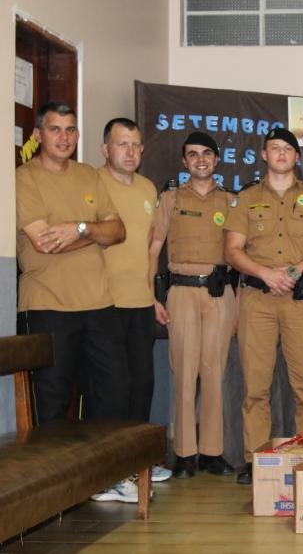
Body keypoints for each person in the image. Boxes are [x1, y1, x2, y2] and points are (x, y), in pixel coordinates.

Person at [16, 102, 134, 500]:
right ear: (38, 135)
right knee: (51, 400)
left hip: (99, 304)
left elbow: (118, 231)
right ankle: (55, 489)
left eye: (70, 130)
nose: (63, 137)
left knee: (113, 392)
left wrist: (77, 227)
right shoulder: (23, 178)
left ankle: (107, 477)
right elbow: (44, 242)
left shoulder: (88, 175)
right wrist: (91, 234)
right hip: (47, 307)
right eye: (54, 130)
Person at [225, 128, 303, 484]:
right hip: (257, 299)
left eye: (288, 149)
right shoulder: (245, 199)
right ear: (264, 155)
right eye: (274, 148)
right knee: (255, 386)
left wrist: (293, 271)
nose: (281, 154)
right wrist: (265, 274)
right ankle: (255, 459)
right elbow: (232, 250)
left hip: (300, 300)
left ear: (297, 157)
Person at [148, 132, 237, 479]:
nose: (200, 160)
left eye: (207, 154)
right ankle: (185, 454)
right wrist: (152, 297)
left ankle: (213, 452)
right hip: (181, 292)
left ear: (217, 160)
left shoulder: (231, 202)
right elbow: (154, 250)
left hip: (219, 294)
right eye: (192, 155)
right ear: (184, 162)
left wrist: (239, 304)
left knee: (215, 373)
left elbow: (241, 254)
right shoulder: (170, 199)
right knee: (184, 374)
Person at [98, 117, 171, 483]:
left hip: (140, 304)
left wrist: (153, 296)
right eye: (122, 144)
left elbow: (148, 248)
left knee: (143, 383)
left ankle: (138, 463)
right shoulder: (92, 183)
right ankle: (111, 470)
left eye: (136, 145)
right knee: (113, 389)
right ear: (105, 149)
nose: (130, 151)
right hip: (103, 305)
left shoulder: (147, 188)